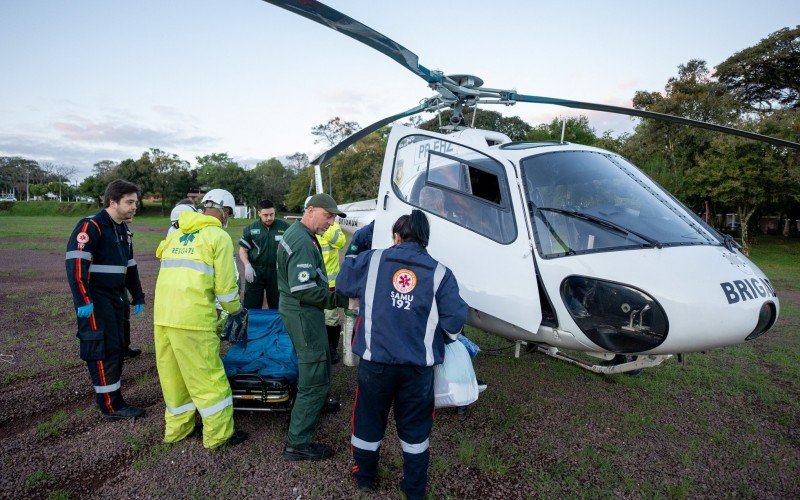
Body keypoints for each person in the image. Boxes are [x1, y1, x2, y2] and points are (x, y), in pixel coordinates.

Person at [337, 210, 468, 498]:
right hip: (418, 369)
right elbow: (455, 321)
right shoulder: (440, 273)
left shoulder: (371, 261)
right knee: (416, 429)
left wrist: (357, 244)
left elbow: (344, 283)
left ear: (396, 236)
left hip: (375, 364)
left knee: (368, 421)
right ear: (425, 240)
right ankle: (414, 488)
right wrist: (435, 339)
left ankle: (365, 478)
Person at [153, 188, 248, 449]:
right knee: (209, 379)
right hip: (193, 318)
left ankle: (178, 430)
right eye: (229, 213)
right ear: (225, 211)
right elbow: (226, 288)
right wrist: (235, 311)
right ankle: (218, 436)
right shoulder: (218, 236)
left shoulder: (176, 234)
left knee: (173, 378)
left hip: (163, 317)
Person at [65, 179, 146, 419]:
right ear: (113, 202)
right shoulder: (91, 226)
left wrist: (137, 294)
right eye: (129, 202)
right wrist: (83, 300)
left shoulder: (123, 228)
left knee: (119, 345)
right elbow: (76, 263)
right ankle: (111, 406)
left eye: (135, 202)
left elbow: (130, 265)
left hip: (115, 297)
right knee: (102, 348)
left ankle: (113, 397)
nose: (134, 207)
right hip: (96, 299)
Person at [277, 193, 349, 461]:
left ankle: (315, 405)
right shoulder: (303, 242)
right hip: (303, 313)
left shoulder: (298, 232)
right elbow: (304, 289)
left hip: (300, 310)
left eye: (332, 218)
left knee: (315, 364)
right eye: (328, 216)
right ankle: (298, 442)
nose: (331, 223)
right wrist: (340, 299)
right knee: (314, 371)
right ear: (310, 211)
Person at [238, 199, 289, 309]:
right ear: (259, 213)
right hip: (256, 271)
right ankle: (251, 325)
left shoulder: (285, 227)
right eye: (265, 215)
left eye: (272, 214)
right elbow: (243, 250)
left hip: (276, 271)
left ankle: (277, 326)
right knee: (252, 304)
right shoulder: (250, 229)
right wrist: (247, 265)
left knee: (278, 304)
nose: (269, 218)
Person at [316, 220, 346, 363]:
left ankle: (331, 348)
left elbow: (340, 242)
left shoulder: (332, 226)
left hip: (330, 282)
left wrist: (323, 228)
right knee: (312, 314)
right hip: (313, 282)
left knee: (331, 317)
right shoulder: (304, 229)